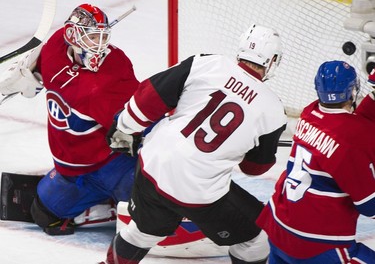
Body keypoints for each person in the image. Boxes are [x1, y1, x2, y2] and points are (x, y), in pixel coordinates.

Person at [102, 23, 287, 264]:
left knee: (143, 232)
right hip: (200, 193)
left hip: (152, 166)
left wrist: (124, 127)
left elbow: (149, 96)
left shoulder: (207, 63)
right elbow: (254, 169)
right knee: (258, 236)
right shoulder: (273, 109)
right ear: (272, 61)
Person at [0, 4, 139, 235]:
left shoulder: (110, 73)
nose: (100, 45)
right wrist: (29, 74)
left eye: (102, 37)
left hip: (114, 164)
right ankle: (108, 206)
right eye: (93, 37)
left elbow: (138, 120)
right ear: (72, 36)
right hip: (73, 170)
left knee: (150, 212)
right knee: (43, 215)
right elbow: (41, 68)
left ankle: (128, 202)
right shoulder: (55, 47)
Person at [256, 60, 375, 263]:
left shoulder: (309, 113)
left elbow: (353, 124)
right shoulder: (353, 139)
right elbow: (370, 206)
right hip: (316, 244)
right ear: (353, 92)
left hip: (278, 229)